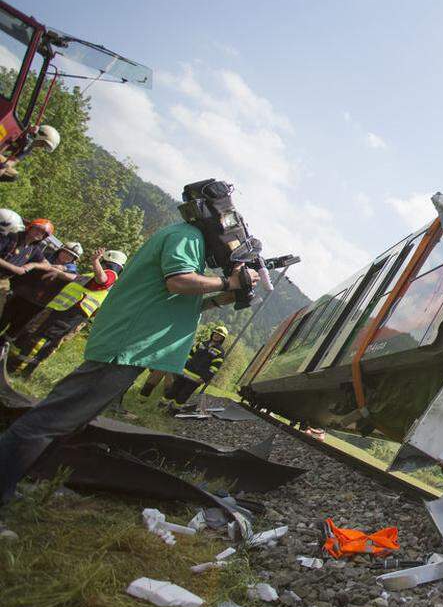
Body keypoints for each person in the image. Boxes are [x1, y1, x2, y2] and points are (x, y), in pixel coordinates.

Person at [0, 186, 258, 504]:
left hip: (134, 346)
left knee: (69, 420)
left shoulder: (188, 239)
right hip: (128, 343)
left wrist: (224, 296)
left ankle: (23, 479)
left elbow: (179, 301)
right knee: (52, 419)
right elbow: (178, 282)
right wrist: (228, 282)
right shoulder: (188, 237)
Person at [7, 249, 125, 376]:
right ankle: (26, 370)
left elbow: (103, 279)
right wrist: (57, 272)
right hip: (69, 311)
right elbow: (75, 278)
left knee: (42, 338)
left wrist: (94, 261)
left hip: (70, 311)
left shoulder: (110, 273)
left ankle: (16, 368)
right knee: (48, 341)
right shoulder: (94, 275)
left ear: (106, 261)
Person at [0, 239, 84, 340]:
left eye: (70, 255)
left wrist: (59, 271)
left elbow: (74, 277)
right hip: (20, 294)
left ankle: (3, 344)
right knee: (3, 318)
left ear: (74, 259)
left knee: (17, 326)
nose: (66, 256)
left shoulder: (72, 271)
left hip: (38, 304)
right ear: (60, 251)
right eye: (65, 252)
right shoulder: (44, 256)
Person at [0, 218, 53, 325]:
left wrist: (32, 265)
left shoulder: (34, 248)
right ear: (30, 227)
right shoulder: (13, 237)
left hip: (4, 281)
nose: (39, 233)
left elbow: (47, 265)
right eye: (38, 229)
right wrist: (14, 268)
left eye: (43, 233)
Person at [161, 324, 228, 407]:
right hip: (184, 373)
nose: (217, 336)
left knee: (183, 396)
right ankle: (161, 406)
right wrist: (182, 366)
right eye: (216, 333)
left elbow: (214, 368)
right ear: (212, 334)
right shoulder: (201, 344)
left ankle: (172, 411)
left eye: (219, 335)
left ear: (222, 338)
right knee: (173, 390)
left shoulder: (220, 352)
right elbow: (189, 355)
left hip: (196, 379)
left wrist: (204, 379)